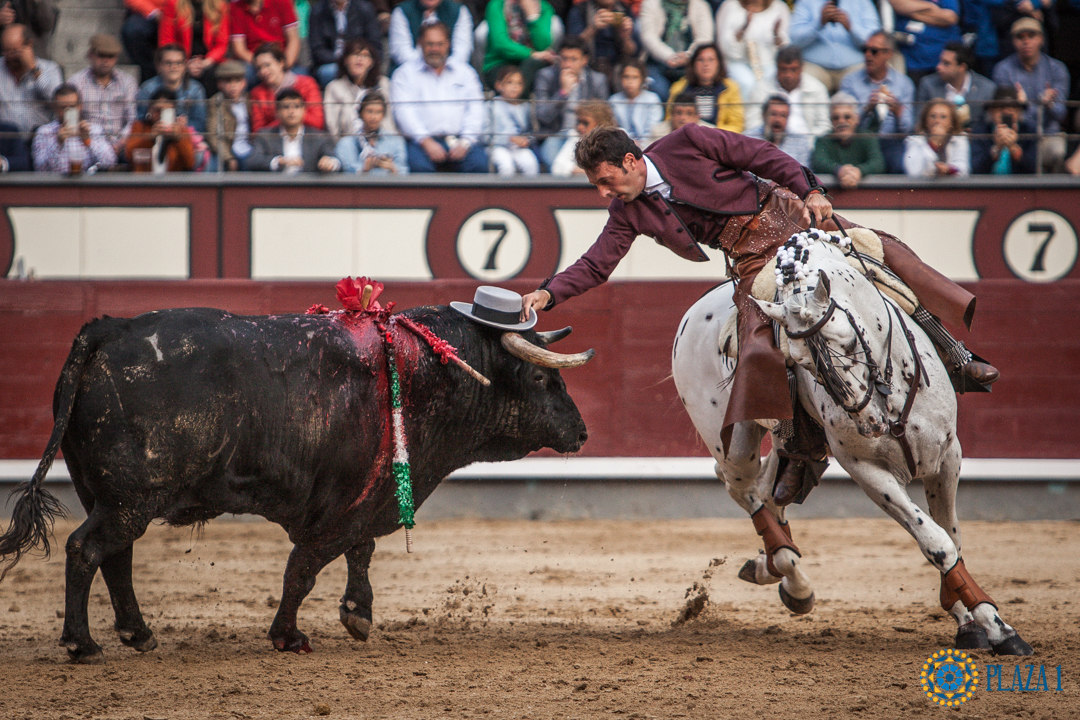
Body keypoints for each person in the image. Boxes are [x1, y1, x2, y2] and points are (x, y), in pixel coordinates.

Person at [519, 124, 996, 507]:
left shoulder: (687, 142)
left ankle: (956, 355)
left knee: (883, 256)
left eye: (605, 181)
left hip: (789, 217)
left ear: (630, 160)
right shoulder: (629, 211)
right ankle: (798, 451)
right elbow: (596, 263)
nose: (603, 192)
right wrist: (548, 293)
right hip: (750, 262)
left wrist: (810, 190)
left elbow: (762, 155)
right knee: (758, 349)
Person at [391, 21, 488, 173]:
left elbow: (476, 109)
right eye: (429, 44)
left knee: (479, 165)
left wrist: (465, 142)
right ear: (420, 43)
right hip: (420, 142)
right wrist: (426, 141)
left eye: (439, 44)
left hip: (461, 140)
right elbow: (404, 112)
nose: (435, 49)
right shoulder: (404, 74)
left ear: (448, 44)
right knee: (419, 168)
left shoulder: (465, 72)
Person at [991, 17, 1069, 173]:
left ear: (1041, 39)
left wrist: (1048, 104)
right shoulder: (1003, 69)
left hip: (1048, 133)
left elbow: (1061, 114)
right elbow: (1006, 114)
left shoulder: (1057, 68)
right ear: (1013, 41)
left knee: (1056, 150)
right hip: (1018, 134)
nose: (1026, 42)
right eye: (1020, 37)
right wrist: (1028, 107)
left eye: (1031, 36)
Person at [838, 31, 915, 173]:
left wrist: (898, 112)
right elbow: (844, 122)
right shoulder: (850, 81)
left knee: (900, 162)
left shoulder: (904, 83)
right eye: (865, 50)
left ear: (888, 54)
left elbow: (908, 130)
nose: (868, 55)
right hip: (860, 140)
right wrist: (866, 109)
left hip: (891, 140)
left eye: (874, 51)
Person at [534, 36, 609, 168]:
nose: (568, 64)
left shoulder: (598, 80)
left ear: (584, 60)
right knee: (553, 159)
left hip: (588, 136)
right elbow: (543, 117)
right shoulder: (545, 76)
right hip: (556, 135)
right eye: (564, 59)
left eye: (573, 59)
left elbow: (603, 116)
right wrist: (563, 93)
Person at [788, 0, 881, 93]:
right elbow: (795, 40)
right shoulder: (806, 2)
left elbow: (875, 41)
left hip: (853, 68)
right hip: (816, 67)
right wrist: (818, 23)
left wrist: (850, 27)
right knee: (805, 83)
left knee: (866, 82)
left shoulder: (863, 2)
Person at [68, 34, 138, 156]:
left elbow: (132, 119)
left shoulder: (128, 82)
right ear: (90, 55)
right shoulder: (76, 82)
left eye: (110, 56)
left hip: (121, 146)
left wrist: (121, 143)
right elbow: (72, 118)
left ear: (116, 58)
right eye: (101, 55)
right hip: (88, 145)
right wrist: (92, 143)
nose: (105, 61)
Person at [745, 45, 831, 138]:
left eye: (793, 70)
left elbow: (823, 125)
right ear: (777, 67)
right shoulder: (761, 88)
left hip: (807, 142)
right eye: (783, 69)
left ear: (802, 68)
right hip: (770, 142)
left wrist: (807, 142)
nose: (788, 75)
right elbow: (753, 123)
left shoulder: (817, 89)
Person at [248, 87, 341, 172]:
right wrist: (279, 162)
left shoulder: (319, 137)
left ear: (304, 110)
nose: (292, 111)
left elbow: (336, 161)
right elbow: (252, 161)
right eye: (286, 107)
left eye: (297, 106)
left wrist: (330, 163)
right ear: (277, 112)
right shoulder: (265, 136)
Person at [637, 0, 714, 100]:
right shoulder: (651, 4)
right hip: (657, 62)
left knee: (688, 93)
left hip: (691, 64)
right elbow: (648, 37)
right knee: (661, 92)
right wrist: (670, 56)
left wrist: (688, 56)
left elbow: (705, 39)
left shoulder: (701, 6)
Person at [715, 0, 789, 101]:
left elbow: (784, 48)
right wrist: (743, 29)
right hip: (737, 62)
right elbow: (723, 46)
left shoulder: (779, 7)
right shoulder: (729, 6)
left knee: (771, 82)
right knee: (747, 82)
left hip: (769, 62)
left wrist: (776, 34)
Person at [32, 84, 117, 173]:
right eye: (63, 108)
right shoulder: (44, 132)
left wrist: (88, 141)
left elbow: (110, 162)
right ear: (55, 108)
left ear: (80, 106)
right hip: (57, 181)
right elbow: (40, 169)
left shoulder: (94, 129)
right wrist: (58, 143)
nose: (68, 111)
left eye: (72, 106)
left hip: (87, 180)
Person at [481, 0, 560, 91]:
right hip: (501, 62)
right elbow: (500, 44)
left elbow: (543, 46)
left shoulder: (544, 7)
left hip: (532, 64)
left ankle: (519, 97)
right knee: (510, 80)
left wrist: (533, 17)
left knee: (533, 65)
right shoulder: (497, 5)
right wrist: (531, 54)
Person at [811, 91, 884, 187]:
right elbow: (818, 163)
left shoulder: (867, 137)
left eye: (847, 117)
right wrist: (839, 170)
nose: (841, 121)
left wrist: (859, 171)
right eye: (836, 118)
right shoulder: (823, 140)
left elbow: (878, 163)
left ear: (857, 119)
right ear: (830, 120)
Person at [665, 43, 743, 133]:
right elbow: (669, 119)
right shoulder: (679, 88)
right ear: (693, 63)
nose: (706, 64)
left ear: (719, 63)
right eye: (700, 60)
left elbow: (736, 125)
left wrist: (711, 133)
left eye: (711, 60)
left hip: (717, 137)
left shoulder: (731, 88)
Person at [323, 38, 391, 139]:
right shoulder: (334, 88)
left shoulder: (384, 84)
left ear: (371, 62)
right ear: (345, 60)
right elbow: (332, 125)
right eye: (355, 54)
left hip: (383, 141)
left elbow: (390, 121)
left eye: (365, 55)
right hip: (348, 143)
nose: (359, 59)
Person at [915, 42, 996, 128]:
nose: (939, 67)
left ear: (962, 67)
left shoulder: (987, 88)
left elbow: (989, 124)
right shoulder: (928, 84)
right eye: (940, 61)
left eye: (946, 63)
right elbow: (919, 122)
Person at [0, 23, 62, 135]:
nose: (10, 56)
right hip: (6, 138)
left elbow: (56, 100)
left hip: (38, 137)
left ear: (29, 45)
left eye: (14, 51)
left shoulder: (51, 68)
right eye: (6, 52)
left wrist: (34, 70)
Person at [158, 0, 231, 94]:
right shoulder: (173, 4)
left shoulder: (220, 5)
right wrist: (184, 63)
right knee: (175, 73)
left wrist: (205, 63)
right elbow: (166, 40)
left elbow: (221, 44)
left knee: (212, 75)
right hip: (180, 60)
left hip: (209, 60)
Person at [250, 42, 324, 131]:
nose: (263, 71)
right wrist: (288, 117)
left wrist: (285, 116)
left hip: (306, 136)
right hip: (274, 138)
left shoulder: (307, 84)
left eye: (267, 65)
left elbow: (317, 122)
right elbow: (258, 131)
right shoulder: (257, 93)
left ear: (281, 63)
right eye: (259, 68)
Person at [307, 0, 382, 88]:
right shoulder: (318, 10)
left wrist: (360, 58)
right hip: (332, 62)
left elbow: (375, 44)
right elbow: (317, 49)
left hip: (360, 57)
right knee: (328, 72)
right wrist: (344, 60)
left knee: (375, 76)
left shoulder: (365, 8)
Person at [136, 44, 209, 133]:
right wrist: (152, 123)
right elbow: (139, 120)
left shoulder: (196, 89)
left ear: (185, 65)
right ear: (158, 66)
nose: (174, 67)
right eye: (168, 63)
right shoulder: (147, 89)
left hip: (185, 136)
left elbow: (201, 123)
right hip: (154, 134)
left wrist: (183, 127)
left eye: (178, 63)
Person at [125, 87, 200, 172]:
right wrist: (149, 137)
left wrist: (179, 139)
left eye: (166, 111)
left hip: (173, 178)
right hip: (144, 177)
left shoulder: (181, 131)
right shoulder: (139, 127)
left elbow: (190, 163)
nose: (161, 115)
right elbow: (128, 155)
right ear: (150, 109)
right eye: (157, 110)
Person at [887, 0, 961, 86]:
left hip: (943, 62)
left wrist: (912, 13)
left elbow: (950, 17)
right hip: (913, 63)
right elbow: (897, 3)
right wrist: (931, 7)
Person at [969, 84, 1036, 174]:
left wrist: (1014, 149)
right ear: (991, 111)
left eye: (1011, 108)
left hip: (1019, 182)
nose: (1006, 112)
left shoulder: (1029, 131)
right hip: (988, 182)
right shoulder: (980, 132)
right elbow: (975, 169)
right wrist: (996, 149)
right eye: (1000, 107)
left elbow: (1035, 169)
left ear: (1019, 111)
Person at [565, 0, 638, 83]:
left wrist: (625, 37)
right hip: (589, 65)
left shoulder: (624, 9)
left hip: (618, 66)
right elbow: (572, 46)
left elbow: (633, 52)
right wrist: (592, 28)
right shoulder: (580, 10)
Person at [388, 0, 473, 70]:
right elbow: (402, 52)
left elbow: (462, 52)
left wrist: (443, 70)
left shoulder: (459, 10)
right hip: (410, 73)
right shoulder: (402, 11)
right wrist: (426, 70)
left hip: (451, 73)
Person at [335, 90, 408, 173]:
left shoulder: (395, 140)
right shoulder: (346, 143)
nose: (374, 117)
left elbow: (404, 171)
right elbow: (345, 173)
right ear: (360, 113)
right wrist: (364, 169)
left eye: (378, 112)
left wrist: (392, 168)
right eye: (369, 111)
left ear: (383, 114)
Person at [486, 64, 540, 175]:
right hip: (497, 147)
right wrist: (508, 139)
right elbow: (484, 135)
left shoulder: (525, 107)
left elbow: (530, 131)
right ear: (499, 85)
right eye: (509, 82)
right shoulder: (491, 106)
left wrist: (526, 140)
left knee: (531, 164)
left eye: (519, 83)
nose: (514, 87)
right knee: (506, 166)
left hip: (518, 148)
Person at [206, 59, 253, 170]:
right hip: (229, 148)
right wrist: (228, 157)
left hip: (250, 148)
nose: (233, 86)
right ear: (219, 84)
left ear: (244, 83)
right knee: (213, 165)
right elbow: (213, 135)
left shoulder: (250, 100)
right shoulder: (216, 102)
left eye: (237, 81)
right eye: (228, 81)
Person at [903, 98, 969, 176]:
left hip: (952, 183)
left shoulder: (960, 140)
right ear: (925, 120)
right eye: (933, 116)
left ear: (951, 122)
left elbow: (963, 170)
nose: (937, 121)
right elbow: (913, 171)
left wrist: (947, 169)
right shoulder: (914, 141)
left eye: (943, 117)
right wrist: (933, 142)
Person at [229, 0, 301, 71]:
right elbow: (240, 50)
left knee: (300, 73)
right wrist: (263, 65)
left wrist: (285, 65)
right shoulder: (236, 7)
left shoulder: (282, 2)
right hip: (253, 62)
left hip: (281, 58)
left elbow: (293, 39)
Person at [550, 98, 616, 175]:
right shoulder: (576, 137)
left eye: (585, 123)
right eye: (579, 122)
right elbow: (558, 166)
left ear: (601, 124)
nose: (580, 127)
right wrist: (589, 172)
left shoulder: (616, 138)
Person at [746, 94, 813, 165]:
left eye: (783, 115)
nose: (778, 120)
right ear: (764, 115)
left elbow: (803, 170)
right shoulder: (749, 139)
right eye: (773, 114)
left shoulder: (800, 141)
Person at [609, 58, 663, 146]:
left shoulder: (652, 99)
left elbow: (653, 126)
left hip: (649, 144)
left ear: (642, 79)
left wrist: (642, 144)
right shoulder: (614, 100)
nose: (630, 82)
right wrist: (630, 142)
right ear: (620, 78)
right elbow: (615, 127)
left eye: (635, 77)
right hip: (622, 145)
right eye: (626, 77)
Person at [122, 0, 166, 83]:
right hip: (147, 13)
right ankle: (149, 75)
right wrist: (154, 13)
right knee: (133, 31)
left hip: (178, 10)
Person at [648, 88, 714, 142]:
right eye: (678, 113)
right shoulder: (657, 131)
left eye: (689, 113)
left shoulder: (710, 132)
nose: (683, 118)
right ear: (671, 114)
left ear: (698, 116)